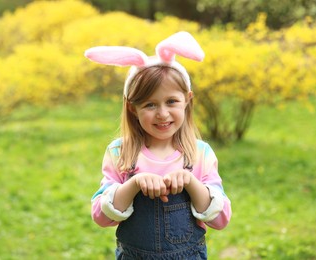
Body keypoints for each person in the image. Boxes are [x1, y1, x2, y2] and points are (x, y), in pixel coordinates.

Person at [85, 31, 232, 259]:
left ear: (187, 100)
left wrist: (190, 182)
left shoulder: (200, 154)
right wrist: (133, 184)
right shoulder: (120, 153)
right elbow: (101, 216)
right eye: (150, 105)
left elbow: (220, 219)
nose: (162, 114)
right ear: (133, 108)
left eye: (171, 101)